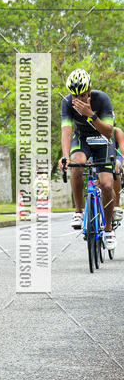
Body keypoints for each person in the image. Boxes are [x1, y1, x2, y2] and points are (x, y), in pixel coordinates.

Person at [60, 68, 116, 249]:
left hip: (103, 140)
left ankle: (108, 229)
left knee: (107, 184)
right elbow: (66, 131)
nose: (78, 100)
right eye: (74, 95)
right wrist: (65, 156)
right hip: (82, 139)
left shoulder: (102, 99)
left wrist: (90, 114)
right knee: (77, 164)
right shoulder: (67, 102)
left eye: (82, 95)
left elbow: (109, 131)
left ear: (89, 91)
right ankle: (78, 211)